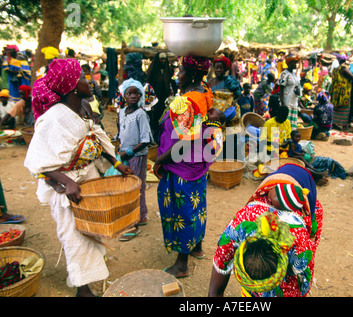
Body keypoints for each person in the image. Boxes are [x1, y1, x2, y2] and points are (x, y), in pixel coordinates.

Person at [24, 59, 132, 297]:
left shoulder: (84, 108)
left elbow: (94, 139)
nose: (90, 81)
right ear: (73, 86)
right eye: (83, 78)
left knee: (92, 226)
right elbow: (38, 161)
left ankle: (91, 272)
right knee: (74, 234)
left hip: (88, 179)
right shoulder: (53, 119)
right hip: (67, 186)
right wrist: (67, 182)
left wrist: (116, 163)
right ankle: (82, 288)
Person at [152, 55, 223, 279]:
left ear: (192, 74)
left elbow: (184, 140)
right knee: (196, 204)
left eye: (181, 70)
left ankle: (181, 264)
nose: (177, 75)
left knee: (180, 210)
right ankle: (197, 247)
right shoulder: (204, 91)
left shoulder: (187, 100)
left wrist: (160, 159)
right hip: (198, 163)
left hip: (180, 163)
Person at [208, 163, 323, 297]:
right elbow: (221, 262)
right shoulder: (240, 226)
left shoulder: (300, 246)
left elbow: (302, 284)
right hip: (275, 184)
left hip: (303, 184)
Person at [116, 78, 154, 241]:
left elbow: (146, 140)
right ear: (124, 95)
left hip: (136, 156)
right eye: (129, 93)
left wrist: (130, 152)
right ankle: (142, 216)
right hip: (125, 154)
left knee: (134, 188)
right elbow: (121, 132)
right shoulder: (122, 112)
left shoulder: (141, 114)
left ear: (141, 95)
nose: (133, 96)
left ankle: (133, 225)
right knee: (134, 185)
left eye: (136, 93)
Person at [146, 52, 176, 136]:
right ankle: (153, 131)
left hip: (164, 96)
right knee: (154, 115)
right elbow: (148, 81)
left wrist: (171, 89)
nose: (162, 61)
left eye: (164, 59)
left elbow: (171, 81)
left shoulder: (169, 69)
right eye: (161, 59)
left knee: (164, 113)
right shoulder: (153, 69)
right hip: (154, 96)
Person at [329, 54, 353, 131]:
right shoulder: (344, 68)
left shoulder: (335, 69)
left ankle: (334, 123)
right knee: (345, 107)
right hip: (344, 92)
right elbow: (352, 77)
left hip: (336, 92)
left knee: (336, 107)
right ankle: (344, 126)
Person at [278, 55, 301, 129]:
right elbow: (281, 89)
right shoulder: (284, 74)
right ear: (289, 64)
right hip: (287, 101)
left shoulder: (294, 74)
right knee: (285, 122)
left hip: (294, 101)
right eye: (294, 63)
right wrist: (282, 103)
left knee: (293, 123)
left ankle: (290, 137)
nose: (295, 65)